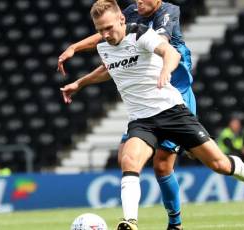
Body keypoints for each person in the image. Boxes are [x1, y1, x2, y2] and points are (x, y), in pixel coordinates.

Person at [62, 1, 244, 229]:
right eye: (100, 30)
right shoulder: (104, 47)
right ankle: (130, 222)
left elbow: (170, 52)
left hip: (172, 112)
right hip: (142, 120)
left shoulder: (141, 34)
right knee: (128, 160)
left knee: (220, 164)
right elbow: (110, 68)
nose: (105, 35)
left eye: (108, 28)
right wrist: (79, 83)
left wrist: (166, 68)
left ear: (122, 20)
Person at [58, 1, 195, 229]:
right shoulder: (129, 13)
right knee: (126, 156)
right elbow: (107, 37)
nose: (138, 2)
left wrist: (79, 51)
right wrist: (75, 49)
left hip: (172, 90)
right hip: (145, 102)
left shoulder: (167, 13)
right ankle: (130, 221)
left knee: (162, 165)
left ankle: (175, 223)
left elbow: (156, 47)